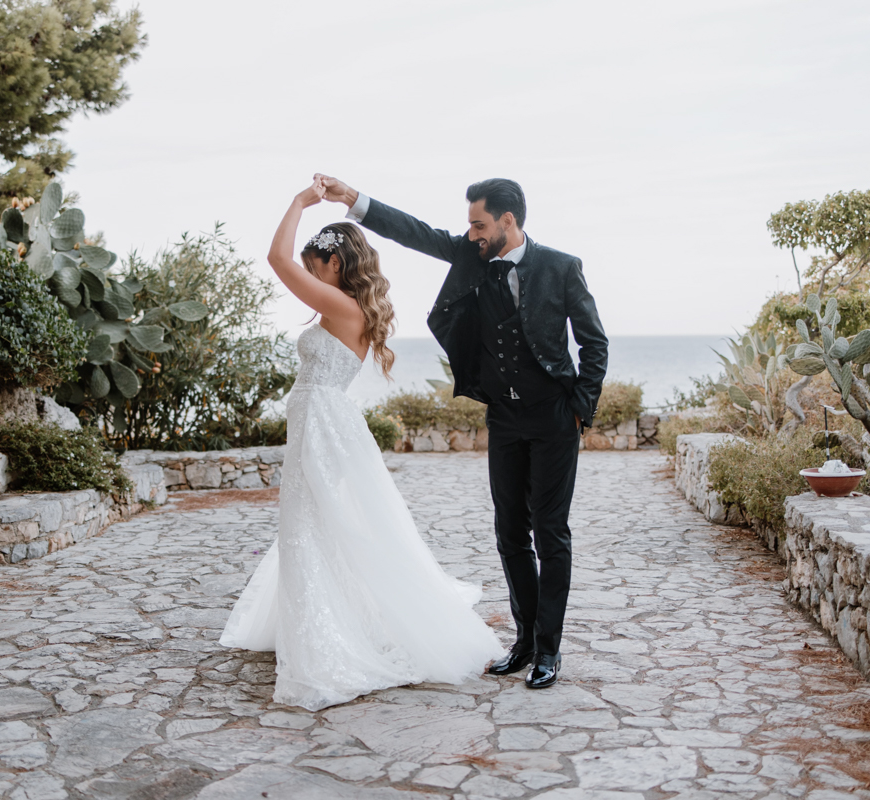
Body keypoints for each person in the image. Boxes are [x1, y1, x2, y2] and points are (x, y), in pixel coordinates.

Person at [219, 177, 503, 712]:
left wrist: (300, 202)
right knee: (317, 526)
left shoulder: (343, 307)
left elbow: (275, 259)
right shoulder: (347, 307)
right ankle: (324, 623)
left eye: (314, 263)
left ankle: (331, 642)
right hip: (324, 421)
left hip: (323, 424)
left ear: (336, 265)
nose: (306, 271)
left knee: (313, 524)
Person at [316, 175, 608, 689]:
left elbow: (593, 342)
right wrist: (353, 200)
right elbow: (414, 232)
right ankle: (523, 641)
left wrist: (580, 408)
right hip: (504, 416)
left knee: (551, 532)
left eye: (479, 223)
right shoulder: (471, 255)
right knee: (510, 533)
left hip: (554, 417)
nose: (471, 232)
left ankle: (548, 650)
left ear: (508, 221)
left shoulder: (562, 268)